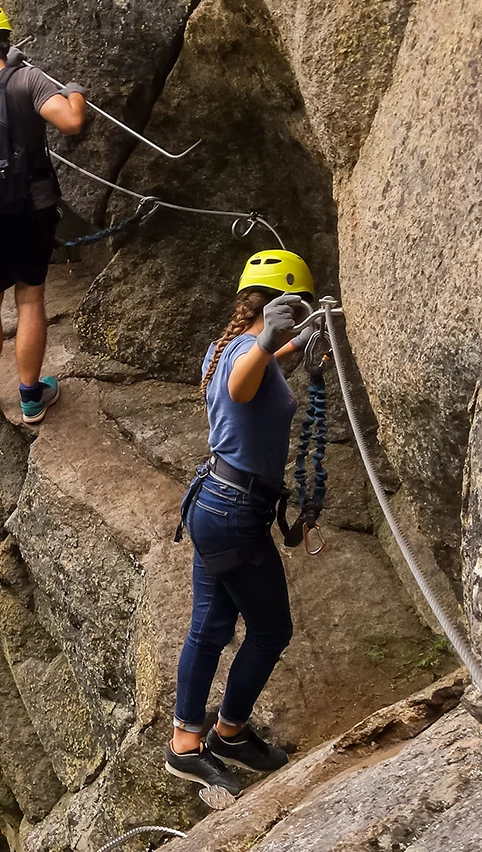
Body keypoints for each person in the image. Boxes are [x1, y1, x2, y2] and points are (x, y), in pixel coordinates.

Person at [165, 250, 319, 798]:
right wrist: (270, 342)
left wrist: (303, 341)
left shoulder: (224, 347)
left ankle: (187, 744)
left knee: (208, 629)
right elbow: (241, 385)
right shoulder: (243, 357)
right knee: (272, 629)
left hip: (217, 504)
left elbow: (262, 366)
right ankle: (227, 734)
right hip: (232, 513)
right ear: (282, 306)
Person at [0, 5, 87, 424]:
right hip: (33, 206)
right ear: (8, 42)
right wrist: (74, 90)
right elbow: (72, 121)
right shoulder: (30, 79)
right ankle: (30, 397)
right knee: (30, 299)